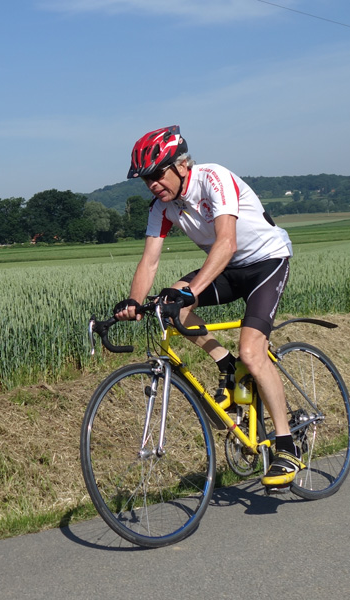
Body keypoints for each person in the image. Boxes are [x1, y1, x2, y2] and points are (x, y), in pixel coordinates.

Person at [114, 125, 305, 489]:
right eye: (146, 179)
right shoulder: (162, 208)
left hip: (265, 262)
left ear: (181, 165)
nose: (153, 184)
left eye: (157, 174)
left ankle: (286, 446)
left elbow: (227, 242)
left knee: (252, 351)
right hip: (227, 270)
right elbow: (150, 260)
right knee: (169, 304)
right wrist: (134, 303)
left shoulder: (213, 178)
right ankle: (225, 363)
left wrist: (193, 290)